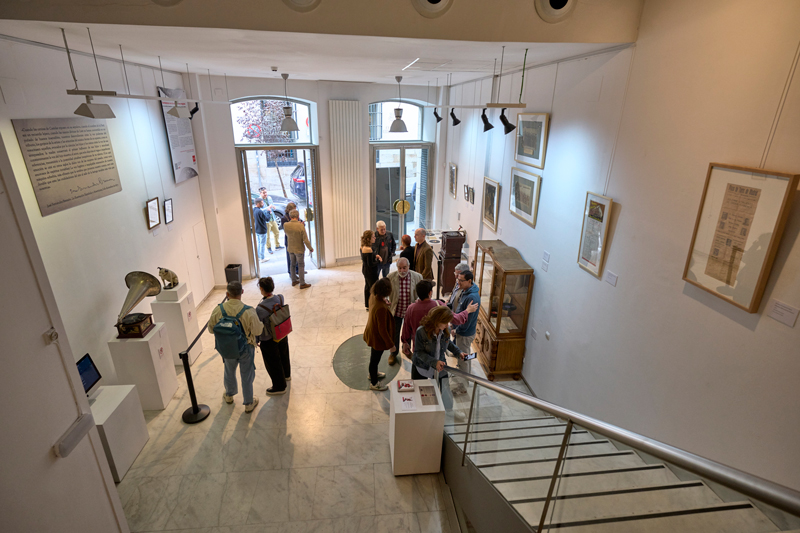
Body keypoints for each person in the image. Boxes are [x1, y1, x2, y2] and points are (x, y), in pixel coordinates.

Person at [208, 281, 263, 413]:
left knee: (229, 371)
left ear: (227, 294)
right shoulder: (249, 311)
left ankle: (229, 395)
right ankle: (249, 403)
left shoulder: (218, 309)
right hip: (246, 348)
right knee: (246, 375)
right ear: (242, 292)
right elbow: (257, 331)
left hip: (227, 348)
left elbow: (211, 329)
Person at [402, 280, 478, 356]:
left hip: (419, 348)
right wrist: (467, 311)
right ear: (430, 293)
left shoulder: (411, 308)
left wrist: (405, 342)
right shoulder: (438, 305)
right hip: (436, 349)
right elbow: (456, 319)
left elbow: (406, 329)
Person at [412, 306, 464, 397]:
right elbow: (418, 352)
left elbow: (448, 343)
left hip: (441, 365)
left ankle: (447, 410)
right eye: (445, 322)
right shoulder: (421, 332)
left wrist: (458, 352)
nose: (447, 325)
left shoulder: (446, 330)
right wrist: (434, 362)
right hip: (422, 367)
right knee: (419, 396)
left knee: (446, 394)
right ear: (437, 320)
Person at [256, 276, 291, 395]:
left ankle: (279, 386)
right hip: (281, 332)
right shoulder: (280, 298)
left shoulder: (260, 309)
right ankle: (287, 375)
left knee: (273, 362)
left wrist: (257, 339)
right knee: (284, 353)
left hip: (268, 338)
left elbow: (258, 326)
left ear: (261, 289)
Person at [385, 257, 421, 365]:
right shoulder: (390, 277)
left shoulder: (418, 277)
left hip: (411, 312)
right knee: (394, 333)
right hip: (396, 311)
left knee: (409, 333)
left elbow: (421, 292)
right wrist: (385, 299)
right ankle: (393, 353)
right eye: (399, 268)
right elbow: (384, 291)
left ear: (408, 266)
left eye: (404, 268)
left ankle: (407, 349)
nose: (402, 271)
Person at [363, 278, 395, 391]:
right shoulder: (381, 308)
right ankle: (374, 382)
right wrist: (391, 345)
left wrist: (384, 301)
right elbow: (382, 330)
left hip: (371, 331)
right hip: (377, 337)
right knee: (374, 360)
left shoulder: (373, 296)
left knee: (374, 358)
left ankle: (373, 374)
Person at [452, 270, 480, 371]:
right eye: (458, 279)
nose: (458, 282)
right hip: (462, 332)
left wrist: (456, 330)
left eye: (461, 280)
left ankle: (463, 383)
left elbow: (467, 321)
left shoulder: (472, 297)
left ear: (469, 281)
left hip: (464, 334)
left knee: (463, 359)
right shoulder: (465, 290)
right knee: (465, 356)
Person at [284, 209, 313, 289]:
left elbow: (287, 233)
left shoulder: (286, 225)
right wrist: (310, 248)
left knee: (292, 265)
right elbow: (305, 240)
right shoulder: (301, 226)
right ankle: (302, 283)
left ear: (290, 217)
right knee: (300, 265)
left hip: (290, 248)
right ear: (298, 216)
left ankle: (294, 280)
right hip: (299, 249)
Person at [360, 230, 380, 310]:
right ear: (368, 239)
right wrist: (378, 261)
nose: (375, 238)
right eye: (373, 237)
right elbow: (371, 264)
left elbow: (367, 259)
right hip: (371, 271)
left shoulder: (362, 247)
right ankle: (372, 304)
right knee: (373, 287)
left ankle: (368, 305)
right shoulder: (368, 249)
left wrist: (375, 256)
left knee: (367, 286)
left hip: (365, 270)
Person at [258, 187, 282, 253]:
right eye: (264, 193)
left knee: (277, 232)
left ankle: (277, 245)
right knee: (267, 235)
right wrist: (267, 208)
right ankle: (269, 247)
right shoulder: (259, 200)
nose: (265, 194)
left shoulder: (269, 198)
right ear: (260, 193)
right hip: (266, 220)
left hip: (272, 218)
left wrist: (273, 207)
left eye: (266, 192)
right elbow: (259, 211)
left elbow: (273, 207)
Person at [281, 202, 297, 275]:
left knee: (297, 257)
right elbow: (286, 229)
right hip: (289, 240)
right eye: (294, 209)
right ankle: (291, 272)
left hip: (296, 239)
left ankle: (297, 270)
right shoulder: (284, 218)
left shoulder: (295, 216)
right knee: (290, 258)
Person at [253, 199, 269, 263]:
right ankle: (262, 258)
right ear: (258, 204)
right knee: (262, 244)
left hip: (257, 229)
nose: (263, 204)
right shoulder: (260, 212)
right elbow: (267, 219)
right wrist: (268, 212)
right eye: (262, 203)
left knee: (259, 243)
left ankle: (259, 256)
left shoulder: (254, 210)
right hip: (262, 230)